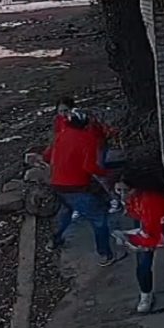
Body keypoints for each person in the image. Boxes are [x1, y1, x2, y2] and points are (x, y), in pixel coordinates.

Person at [43, 108, 124, 267]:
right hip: (77, 186)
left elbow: (47, 156)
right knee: (99, 217)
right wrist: (104, 172)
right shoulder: (88, 139)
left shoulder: (61, 135)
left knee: (66, 211)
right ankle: (105, 254)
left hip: (57, 184)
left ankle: (54, 241)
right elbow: (89, 167)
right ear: (85, 124)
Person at [111, 169, 164, 313]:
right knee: (143, 264)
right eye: (119, 190)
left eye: (126, 190)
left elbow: (151, 232)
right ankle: (146, 294)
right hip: (145, 220)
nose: (122, 194)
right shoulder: (132, 197)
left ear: (137, 188)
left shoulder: (151, 200)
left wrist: (134, 240)